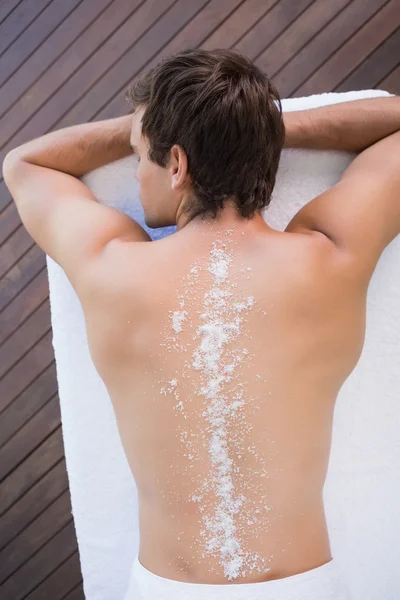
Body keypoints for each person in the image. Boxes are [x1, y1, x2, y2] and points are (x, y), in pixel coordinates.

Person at [3, 49, 400, 600]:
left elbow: (24, 163)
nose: (138, 172)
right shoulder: (329, 259)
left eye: (144, 156)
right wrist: (251, 129)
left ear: (177, 165)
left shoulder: (111, 267)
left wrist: (164, 127)